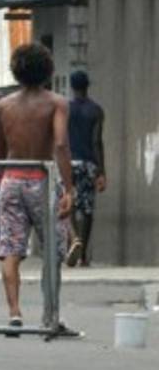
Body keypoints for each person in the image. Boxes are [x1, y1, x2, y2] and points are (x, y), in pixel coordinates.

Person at [0, 44, 74, 331]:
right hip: (41, 178)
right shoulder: (56, 103)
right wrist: (69, 188)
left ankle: (14, 313)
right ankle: (49, 315)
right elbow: (61, 144)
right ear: (48, 69)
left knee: (11, 248)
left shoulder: (3, 105)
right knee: (52, 249)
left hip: (11, 179)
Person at [65, 70, 105, 267]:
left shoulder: (65, 109)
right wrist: (101, 171)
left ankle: (74, 241)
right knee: (87, 210)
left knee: (69, 203)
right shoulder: (96, 110)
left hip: (68, 162)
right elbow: (96, 141)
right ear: (87, 86)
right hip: (88, 163)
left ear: (72, 87)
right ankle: (83, 256)